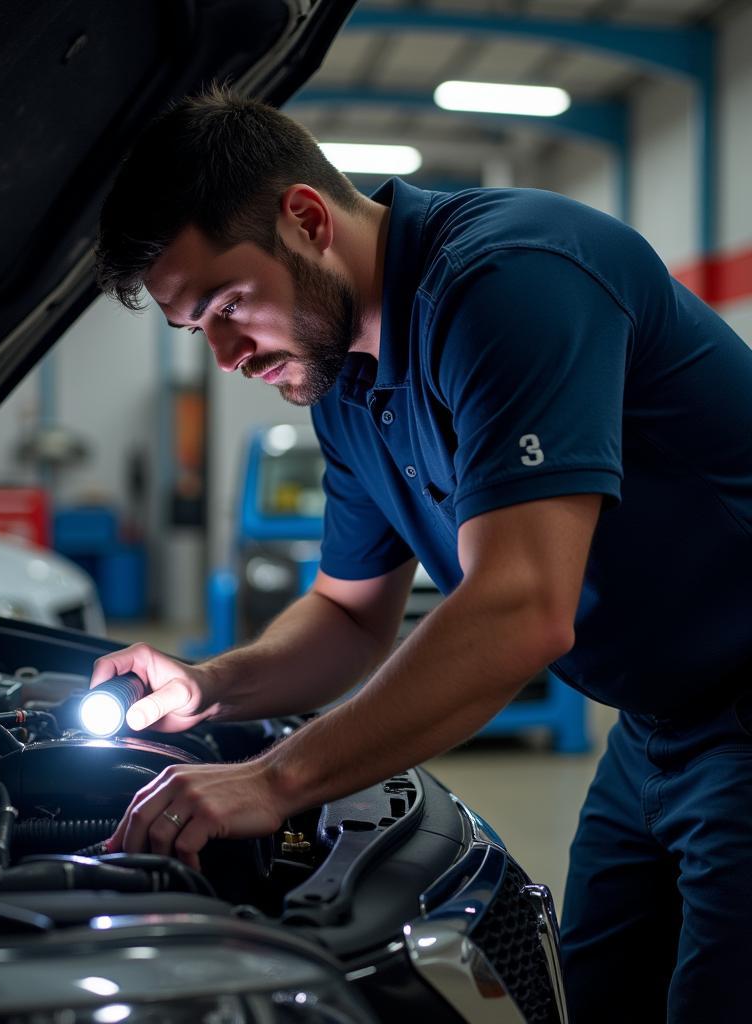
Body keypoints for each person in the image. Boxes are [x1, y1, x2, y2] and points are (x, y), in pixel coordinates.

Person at [91, 86, 752, 1022]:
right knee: (593, 994)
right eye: (199, 328)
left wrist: (273, 781)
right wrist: (208, 685)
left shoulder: (510, 279)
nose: (228, 353)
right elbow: (350, 614)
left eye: (232, 303)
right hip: (655, 727)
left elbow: (522, 608)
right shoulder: (345, 387)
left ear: (309, 219)